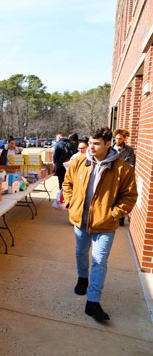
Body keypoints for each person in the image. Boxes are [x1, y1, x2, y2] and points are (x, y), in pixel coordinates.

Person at [62, 127, 137, 323]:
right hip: (81, 220)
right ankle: (82, 278)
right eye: (91, 143)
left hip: (105, 224)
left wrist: (113, 214)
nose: (91, 147)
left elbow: (129, 197)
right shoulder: (78, 161)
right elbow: (67, 183)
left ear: (107, 144)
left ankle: (93, 302)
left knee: (99, 261)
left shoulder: (123, 168)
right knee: (80, 253)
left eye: (96, 144)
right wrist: (70, 203)